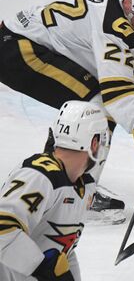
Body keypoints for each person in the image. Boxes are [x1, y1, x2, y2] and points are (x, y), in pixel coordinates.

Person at [0, 0, 134, 224]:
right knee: (95, 107)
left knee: (92, 105)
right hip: (16, 49)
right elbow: (117, 93)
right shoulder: (113, 26)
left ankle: (66, 184)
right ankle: (72, 192)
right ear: (129, 3)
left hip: (27, 43)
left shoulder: (133, 17)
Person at [0, 100, 109, 281]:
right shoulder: (39, 175)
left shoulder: (85, 186)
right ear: (94, 142)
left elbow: (61, 250)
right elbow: (3, 227)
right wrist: (43, 267)